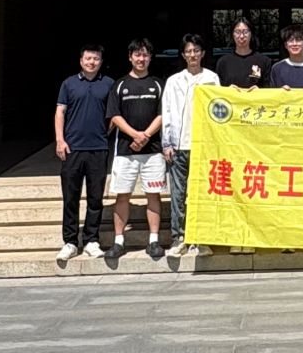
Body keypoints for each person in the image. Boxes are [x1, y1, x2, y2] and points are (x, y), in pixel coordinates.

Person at [53, 44, 116, 262]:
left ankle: (91, 240)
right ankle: (70, 241)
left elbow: (113, 116)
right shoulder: (69, 83)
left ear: (101, 62)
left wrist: (104, 134)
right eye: (88, 58)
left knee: (95, 197)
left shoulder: (108, 84)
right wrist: (60, 140)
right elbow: (60, 112)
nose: (92, 62)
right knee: (70, 197)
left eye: (96, 59)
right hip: (72, 148)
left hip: (98, 148)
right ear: (81, 61)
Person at [159, 32, 219, 257]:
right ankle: (179, 238)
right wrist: (167, 143)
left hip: (203, 145)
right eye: (188, 51)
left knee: (202, 193)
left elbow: (218, 110)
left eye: (196, 51)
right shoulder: (174, 81)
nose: (192, 55)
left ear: (202, 54)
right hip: (178, 145)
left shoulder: (212, 78)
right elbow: (166, 111)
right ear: (183, 55)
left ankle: (201, 238)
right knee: (178, 194)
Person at [108, 39, 167, 261]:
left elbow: (163, 114)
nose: (141, 59)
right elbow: (114, 115)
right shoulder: (119, 85)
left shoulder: (158, 84)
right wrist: (135, 135)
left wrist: (145, 136)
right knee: (123, 195)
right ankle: (118, 241)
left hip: (153, 151)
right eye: (137, 55)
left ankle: (154, 240)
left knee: (153, 195)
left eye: (145, 55)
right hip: (125, 151)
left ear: (150, 57)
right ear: (130, 57)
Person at [215, 16, 272, 91]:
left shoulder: (264, 61)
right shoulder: (223, 62)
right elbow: (217, 90)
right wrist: (228, 91)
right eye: (237, 32)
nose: (241, 36)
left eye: (245, 32)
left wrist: (259, 91)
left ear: (251, 34)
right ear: (232, 34)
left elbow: (269, 90)